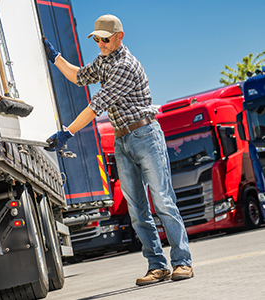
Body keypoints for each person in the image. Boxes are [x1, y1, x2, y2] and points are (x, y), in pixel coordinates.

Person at [43, 14, 193, 286]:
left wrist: (68, 132)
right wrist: (55, 57)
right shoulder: (104, 61)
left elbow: (96, 104)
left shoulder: (126, 65)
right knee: (137, 209)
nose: (99, 43)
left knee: (162, 201)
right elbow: (79, 77)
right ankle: (157, 265)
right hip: (122, 140)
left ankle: (182, 262)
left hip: (145, 135)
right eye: (96, 38)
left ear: (119, 37)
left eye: (105, 38)